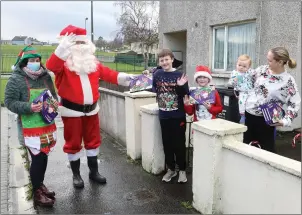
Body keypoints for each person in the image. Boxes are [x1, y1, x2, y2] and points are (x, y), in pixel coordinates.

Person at [45, 25, 135, 188]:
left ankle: (94, 172)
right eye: (75, 43)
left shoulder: (93, 63)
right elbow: (51, 66)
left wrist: (128, 78)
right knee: (73, 143)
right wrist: (62, 49)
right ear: (68, 45)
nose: (79, 47)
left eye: (82, 43)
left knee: (93, 141)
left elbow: (109, 74)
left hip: (92, 110)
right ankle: (76, 175)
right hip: (71, 111)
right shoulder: (63, 64)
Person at [5, 45, 58, 207]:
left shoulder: (46, 77)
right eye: (32, 61)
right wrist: (29, 107)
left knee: (44, 155)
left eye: (37, 60)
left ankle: (40, 184)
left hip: (47, 124)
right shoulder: (16, 79)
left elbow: (52, 95)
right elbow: (9, 102)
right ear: (24, 62)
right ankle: (36, 191)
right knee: (37, 157)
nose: (35, 63)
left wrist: (54, 102)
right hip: (29, 127)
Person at [243, 47, 301, 152]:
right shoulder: (262, 70)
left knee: (265, 152)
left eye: (270, 60)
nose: (267, 62)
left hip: (266, 121)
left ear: (279, 62)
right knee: (245, 149)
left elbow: (295, 103)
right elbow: (249, 82)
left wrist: (285, 121)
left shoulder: (287, 81)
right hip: (248, 116)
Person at [152, 48, 189, 183]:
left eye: (167, 59)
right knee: (167, 143)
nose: (164, 62)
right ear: (159, 62)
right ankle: (171, 170)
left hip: (177, 115)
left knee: (179, 144)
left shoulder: (180, 75)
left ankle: (182, 171)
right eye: (162, 60)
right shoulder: (157, 74)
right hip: (163, 115)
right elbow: (155, 89)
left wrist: (180, 86)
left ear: (172, 60)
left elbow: (185, 94)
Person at [228, 55, 254, 124]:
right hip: (241, 92)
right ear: (236, 64)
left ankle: (249, 116)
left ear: (248, 67)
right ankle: (242, 116)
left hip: (250, 91)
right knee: (241, 103)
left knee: (250, 104)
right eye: (239, 65)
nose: (241, 67)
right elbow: (230, 83)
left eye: (244, 66)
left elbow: (255, 74)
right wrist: (234, 80)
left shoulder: (249, 72)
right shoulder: (235, 73)